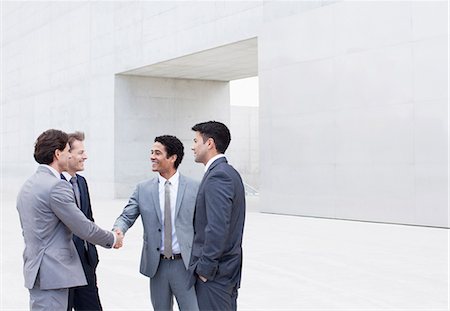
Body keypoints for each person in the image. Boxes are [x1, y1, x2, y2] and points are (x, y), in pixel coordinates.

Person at [16, 129, 123, 311]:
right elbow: (83, 227)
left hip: (37, 272)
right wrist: (113, 238)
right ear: (58, 154)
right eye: (67, 151)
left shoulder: (28, 185)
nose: (70, 155)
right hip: (55, 273)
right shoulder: (57, 186)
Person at [113, 135, 199, 311]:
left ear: (173, 158)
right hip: (157, 266)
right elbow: (126, 216)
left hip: (186, 265)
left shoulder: (195, 188)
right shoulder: (143, 189)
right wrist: (118, 230)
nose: (152, 157)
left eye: (157, 153)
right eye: (151, 152)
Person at [187, 121, 246, 311]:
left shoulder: (218, 176)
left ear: (209, 143)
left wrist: (205, 269)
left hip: (215, 276)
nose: (193, 146)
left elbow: (217, 227)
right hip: (224, 273)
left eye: (196, 141)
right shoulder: (226, 173)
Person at [61, 131, 103, 310]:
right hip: (64, 266)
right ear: (66, 154)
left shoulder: (82, 182)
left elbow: (89, 220)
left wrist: (92, 254)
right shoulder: (54, 184)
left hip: (85, 263)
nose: (85, 156)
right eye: (80, 152)